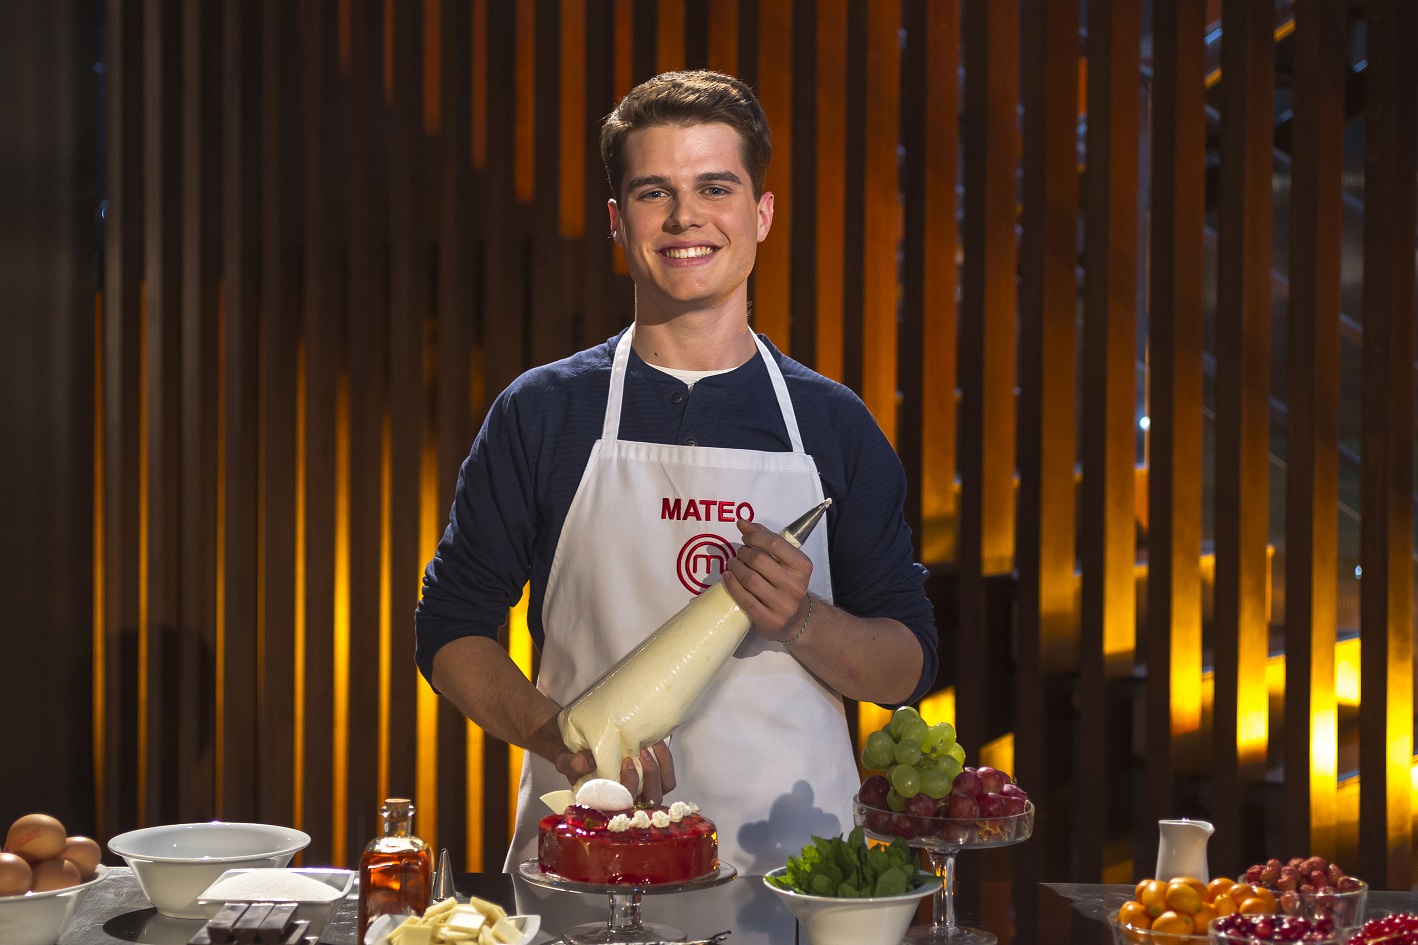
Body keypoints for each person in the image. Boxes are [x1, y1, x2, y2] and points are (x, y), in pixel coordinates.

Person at [415, 69, 938, 873]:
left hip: (793, 880)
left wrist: (801, 620)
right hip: (589, 871)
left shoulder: (834, 425)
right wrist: (564, 740)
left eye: (715, 188)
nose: (685, 216)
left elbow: (906, 664)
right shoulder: (542, 412)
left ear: (761, 214)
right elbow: (451, 625)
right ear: (617, 222)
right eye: (654, 192)